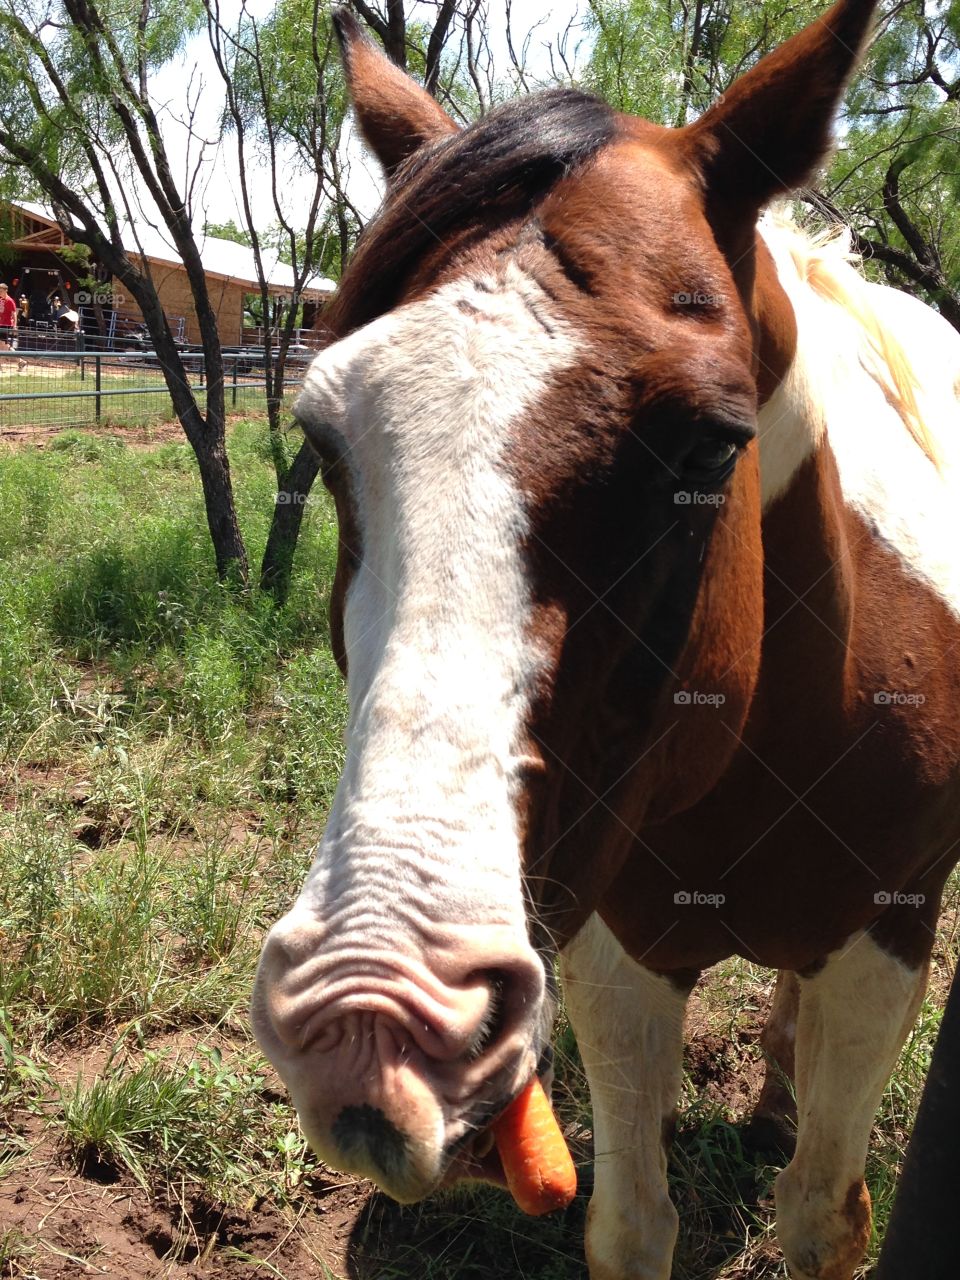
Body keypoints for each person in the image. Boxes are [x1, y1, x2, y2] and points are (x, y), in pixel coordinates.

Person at [0, 282, 18, 349]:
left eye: (1, 291)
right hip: (1, 323)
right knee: (2, 343)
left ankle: (16, 358)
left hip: (6, 324)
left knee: (4, 343)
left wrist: (15, 325)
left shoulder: (10, 300)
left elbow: (14, 313)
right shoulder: (1, 300)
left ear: (6, 290)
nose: (0, 293)